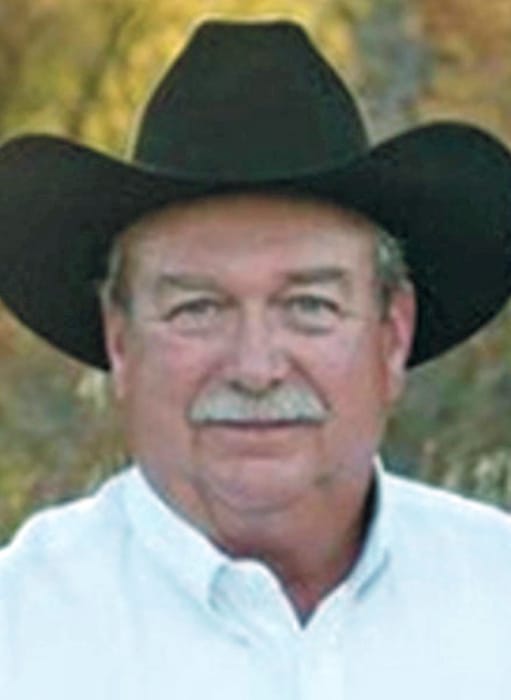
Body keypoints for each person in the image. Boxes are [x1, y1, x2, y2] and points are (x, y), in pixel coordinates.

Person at [0, 19, 511, 700]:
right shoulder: (21, 633)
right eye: (197, 309)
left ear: (392, 335)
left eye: (309, 305)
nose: (256, 368)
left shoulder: (496, 599)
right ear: (119, 342)